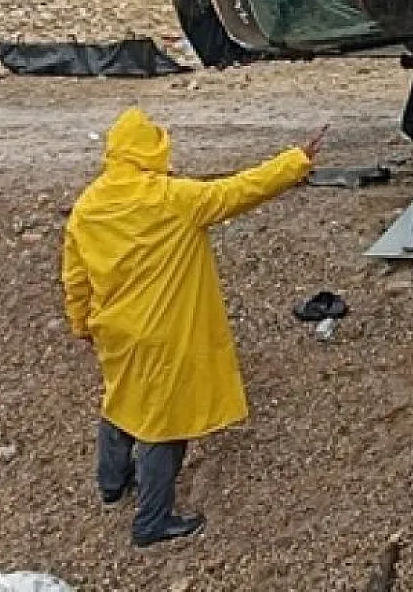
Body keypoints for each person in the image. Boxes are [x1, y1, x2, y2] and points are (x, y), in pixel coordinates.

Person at [60, 107, 322, 548]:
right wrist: (296, 160)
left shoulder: (89, 205)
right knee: (165, 423)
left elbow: (75, 275)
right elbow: (239, 190)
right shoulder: (173, 199)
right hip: (166, 332)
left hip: (116, 330)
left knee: (122, 400)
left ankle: (111, 484)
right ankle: (152, 520)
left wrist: (81, 323)